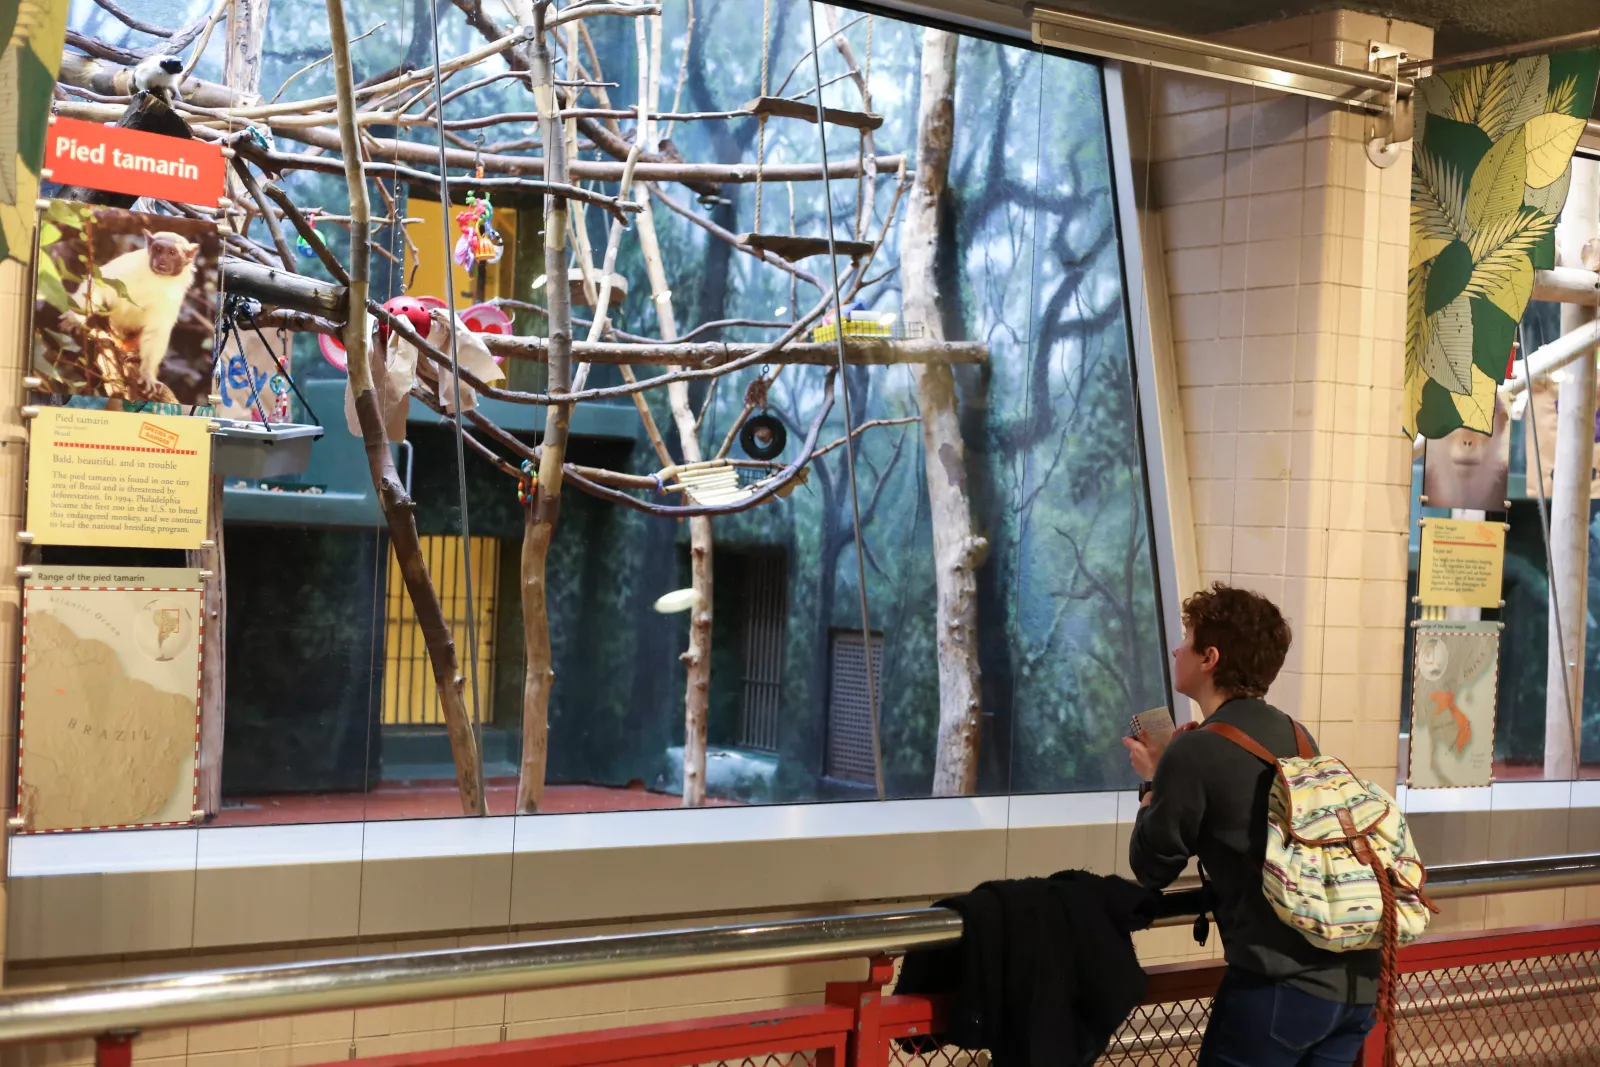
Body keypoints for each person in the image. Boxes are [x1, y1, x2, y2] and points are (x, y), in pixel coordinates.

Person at [1123, 583, 1379, 1067]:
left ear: (1209, 658)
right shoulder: (1297, 734)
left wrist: (1153, 781)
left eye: (1187, 638)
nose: (1177, 648)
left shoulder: (1193, 750)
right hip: (1354, 983)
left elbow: (1151, 866)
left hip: (1279, 987)